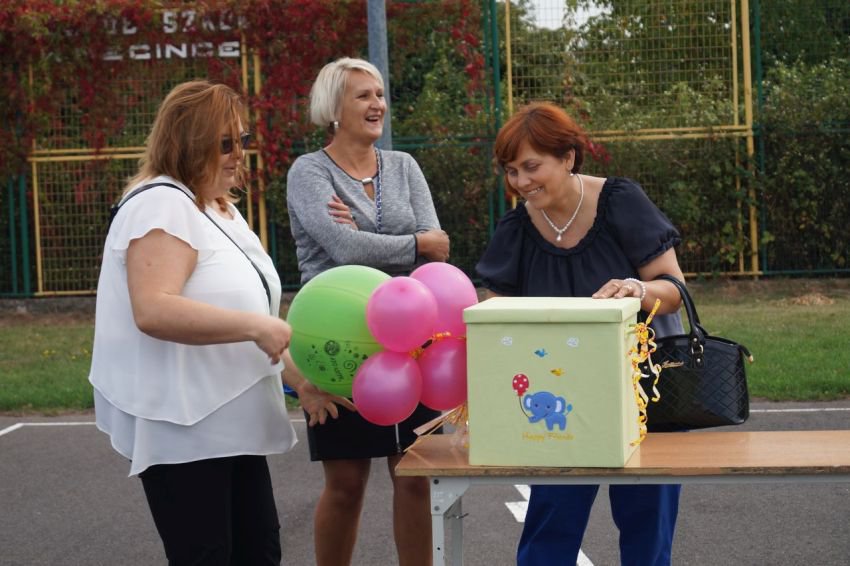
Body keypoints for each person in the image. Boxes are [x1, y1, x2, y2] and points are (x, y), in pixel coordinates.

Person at [89, 79, 346, 566]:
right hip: (187, 428)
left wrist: (301, 383)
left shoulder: (215, 207)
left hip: (231, 423)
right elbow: (154, 309)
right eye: (224, 143)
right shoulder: (161, 204)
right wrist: (254, 327)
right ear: (189, 143)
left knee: (259, 554)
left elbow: (258, 319)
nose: (238, 154)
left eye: (242, 140)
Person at [476, 101, 686, 566]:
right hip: (556, 404)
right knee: (549, 532)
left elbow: (674, 289)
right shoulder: (516, 229)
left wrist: (636, 288)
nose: (521, 181)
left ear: (568, 157)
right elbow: (494, 319)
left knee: (647, 531)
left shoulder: (620, 201)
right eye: (511, 171)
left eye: (531, 166)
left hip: (643, 393)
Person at [285, 57, 450, 566]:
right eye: (363, 95)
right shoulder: (309, 172)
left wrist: (365, 240)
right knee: (346, 483)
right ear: (334, 107)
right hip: (338, 339)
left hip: (411, 339)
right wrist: (410, 243)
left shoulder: (404, 166)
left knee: (415, 477)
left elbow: (440, 249)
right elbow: (343, 248)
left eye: (379, 94)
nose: (377, 104)